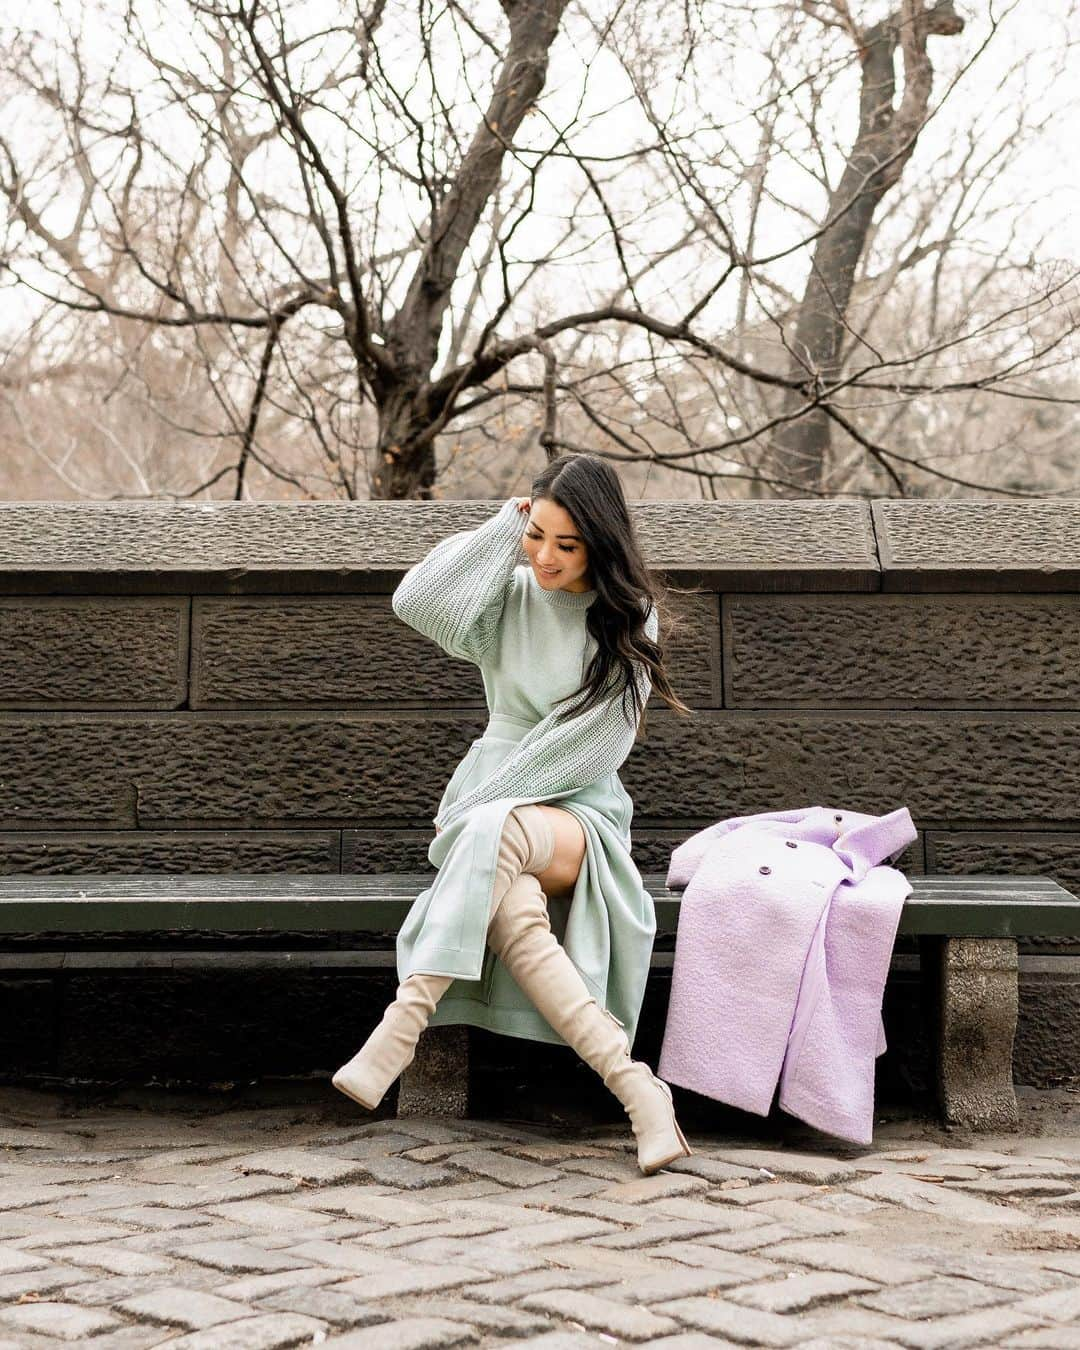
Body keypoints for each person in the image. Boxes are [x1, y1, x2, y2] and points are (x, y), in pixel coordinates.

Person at [332, 453, 693, 1174]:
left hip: (575, 813)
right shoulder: (509, 596)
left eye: (569, 544)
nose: (548, 558)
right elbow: (417, 599)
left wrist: (478, 804)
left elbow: (588, 750)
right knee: (513, 914)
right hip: (490, 812)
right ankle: (640, 1093)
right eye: (540, 537)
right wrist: (505, 527)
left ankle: (400, 1028)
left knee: (495, 834)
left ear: (602, 540)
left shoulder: (626, 619)